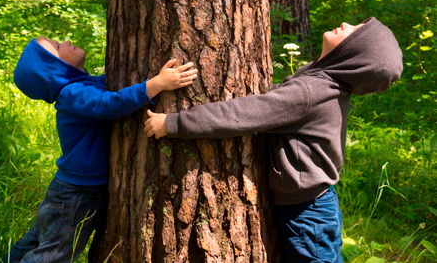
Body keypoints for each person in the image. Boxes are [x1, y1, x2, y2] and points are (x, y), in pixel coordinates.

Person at [144, 17, 403, 262]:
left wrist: (173, 123)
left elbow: (241, 114)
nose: (346, 24)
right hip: (313, 206)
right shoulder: (320, 84)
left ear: (352, 56)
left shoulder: (311, 92)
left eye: (354, 32)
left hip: (307, 213)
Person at [4, 36, 197, 263]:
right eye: (58, 47)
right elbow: (110, 103)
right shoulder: (73, 94)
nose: (66, 41)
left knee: (35, 242)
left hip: (68, 190)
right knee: (54, 253)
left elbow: (112, 89)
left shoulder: (82, 86)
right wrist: (155, 84)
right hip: (77, 194)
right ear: (56, 69)